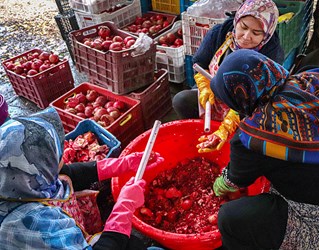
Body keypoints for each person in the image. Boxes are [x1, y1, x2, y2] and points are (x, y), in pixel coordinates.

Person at [206, 49, 319, 249]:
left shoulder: (255, 135)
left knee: (231, 218)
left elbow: (233, 181)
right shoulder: (316, 80)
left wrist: (217, 186)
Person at [0, 107, 164, 249]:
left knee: (131, 244)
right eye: (56, 154)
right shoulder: (34, 226)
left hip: (75, 234)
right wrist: (124, 207)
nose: (62, 154)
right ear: (39, 168)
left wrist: (123, 164)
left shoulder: (22, 179)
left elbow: (69, 173)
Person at [173, 0, 284, 153]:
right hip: (213, 94)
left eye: (256, 33)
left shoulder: (272, 55)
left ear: (267, 34)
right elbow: (199, 62)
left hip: (248, 108)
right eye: (243, 27)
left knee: (244, 144)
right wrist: (204, 85)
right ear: (237, 20)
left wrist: (231, 121)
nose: (246, 36)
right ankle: (197, 133)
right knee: (181, 100)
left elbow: (263, 97)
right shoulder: (219, 33)